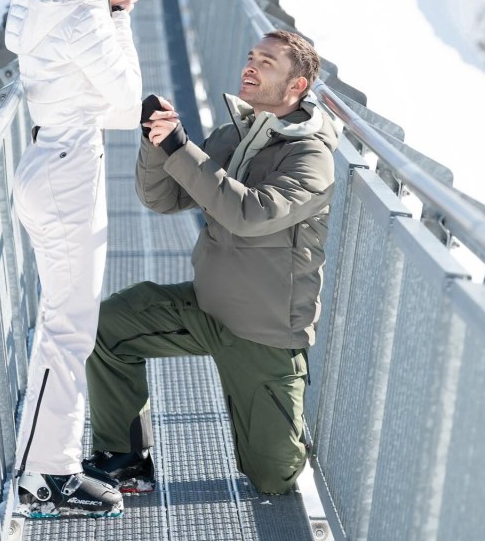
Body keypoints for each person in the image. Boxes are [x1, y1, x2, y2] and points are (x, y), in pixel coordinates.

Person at [84, 29, 340, 496]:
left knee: (273, 479)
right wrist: (158, 143)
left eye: (266, 62)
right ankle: (123, 456)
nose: (250, 66)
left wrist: (181, 150)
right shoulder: (236, 134)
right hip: (205, 310)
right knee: (109, 326)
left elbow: (250, 213)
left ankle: (286, 415)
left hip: (263, 337)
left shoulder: (311, 157)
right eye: (251, 56)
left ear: (296, 86)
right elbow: (162, 199)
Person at [5, 0, 154, 518]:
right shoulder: (89, 15)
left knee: (65, 325)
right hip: (68, 171)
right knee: (68, 330)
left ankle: (47, 465)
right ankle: (44, 474)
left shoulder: (46, 1)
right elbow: (125, 103)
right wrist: (120, 18)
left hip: (46, 158)